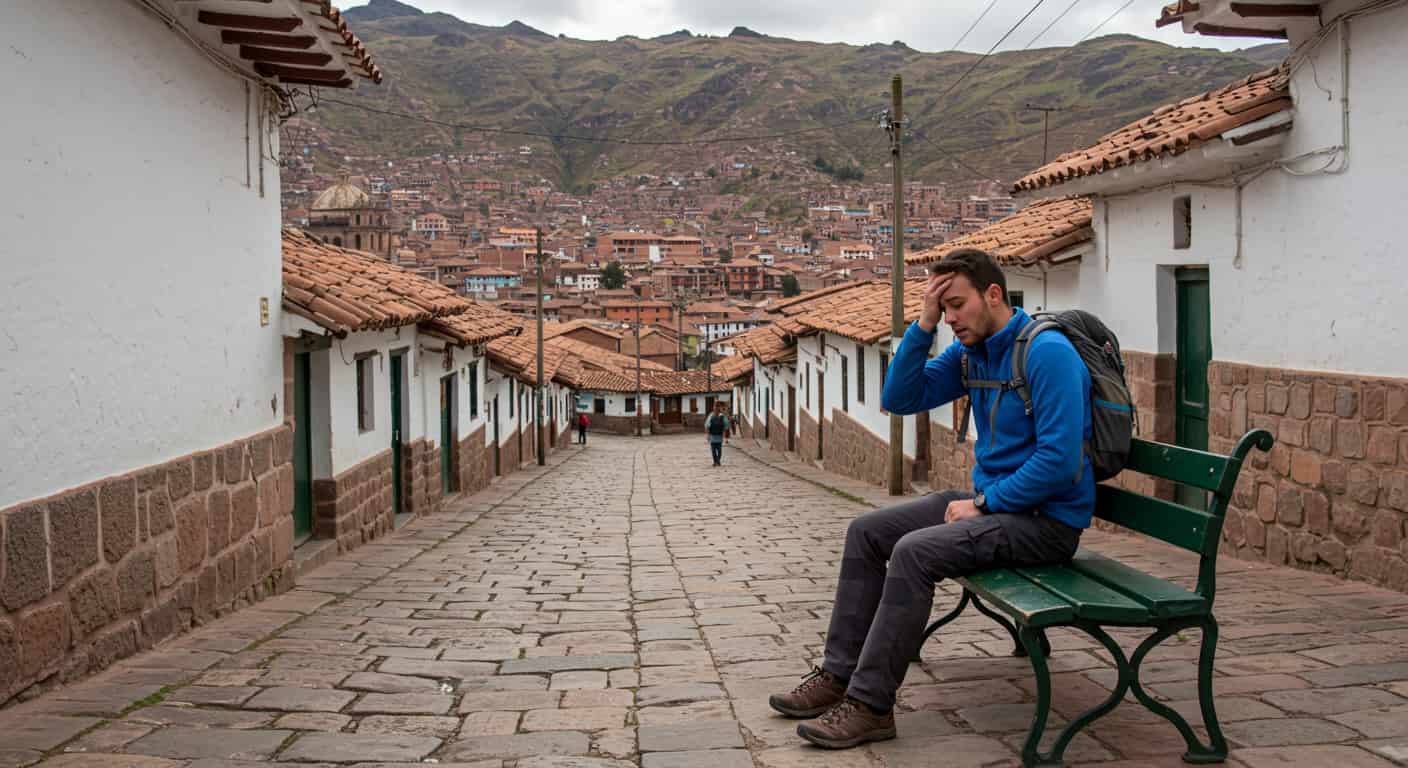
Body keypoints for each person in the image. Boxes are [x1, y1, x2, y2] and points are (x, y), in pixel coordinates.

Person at [768, 248, 1094, 749]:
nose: (950, 318)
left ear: (993, 294)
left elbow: (1060, 461)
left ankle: (871, 705)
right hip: (1000, 507)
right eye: (943, 309)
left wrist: (983, 505)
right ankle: (838, 674)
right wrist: (922, 324)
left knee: (915, 551)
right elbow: (898, 398)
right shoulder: (971, 354)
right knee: (867, 532)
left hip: (1046, 523)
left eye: (956, 305)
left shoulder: (1047, 353)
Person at [704, 401, 730, 466]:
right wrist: (708, 435)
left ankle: (717, 461)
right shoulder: (714, 416)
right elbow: (726, 425)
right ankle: (716, 461)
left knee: (717, 450)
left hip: (717, 436)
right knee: (716, 450)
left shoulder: (716, 416)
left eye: (717, 407)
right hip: (715, 436)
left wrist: (707, 434)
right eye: (715, 407)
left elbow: (707, 425)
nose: (716, 408)